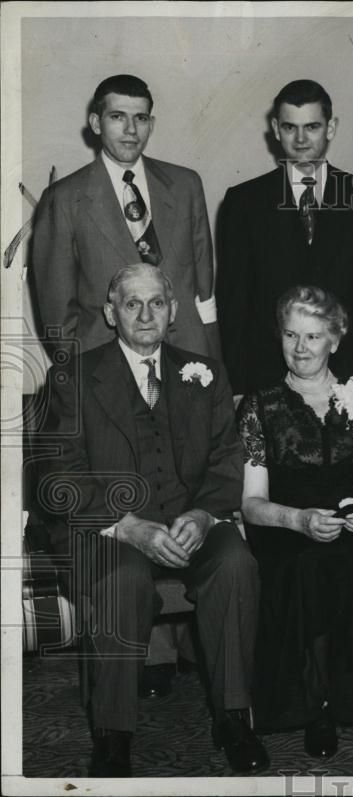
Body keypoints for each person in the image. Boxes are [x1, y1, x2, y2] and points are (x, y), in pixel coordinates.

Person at [40, 264, 267, 777]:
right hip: (106, 529)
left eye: (157, 303)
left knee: (235, 563)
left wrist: (203, 514)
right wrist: (128, 526)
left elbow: (227, 459)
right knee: (124, 578)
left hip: (189, 523)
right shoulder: (73, 378)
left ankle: (234, 718)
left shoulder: (205, 373)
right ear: (110, 313)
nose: (146, 315)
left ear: (173, 311)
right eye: (132, 304)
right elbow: (58, 476)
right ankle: (113, 735)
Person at [237, 285, 353, 757]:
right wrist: (298, 520)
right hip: (289, 529)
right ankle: (318, 708)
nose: (300, 347)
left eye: (313, 336)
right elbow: (251, 503)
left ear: (335, 338)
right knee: (310, 567)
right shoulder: (260, 406)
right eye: (291, 334)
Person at [218, 80, 353, 399]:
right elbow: (233, 303)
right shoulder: (243, 202)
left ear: (330, 127)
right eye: (290, 127)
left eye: (312, 127)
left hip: (351, 379)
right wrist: (237, 387)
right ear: (275, 129)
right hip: (267, 380)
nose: (300, 139)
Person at [32, 74, 219, 360]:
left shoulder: (186, 185)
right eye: (118, 117)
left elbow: (205, 290)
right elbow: (57, 311)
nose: (131, 130)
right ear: (96, 123)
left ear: (151, 124)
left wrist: (210, 358)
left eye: (140, 118)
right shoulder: (64, 198)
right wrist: (84, 370)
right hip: (106, 364)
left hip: (186, 356)